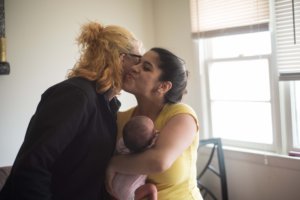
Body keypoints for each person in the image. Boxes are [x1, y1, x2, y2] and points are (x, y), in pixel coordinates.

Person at [0, 21, 143, 200]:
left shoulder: (108, 105)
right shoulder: (76, 96)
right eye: (138, 59)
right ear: (122, 59)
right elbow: (32, 167)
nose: (140, 68)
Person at [106, 47, 203, 200]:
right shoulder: (121, 119)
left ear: (163, 86)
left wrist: (113, 164)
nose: (134, 68)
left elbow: (159, 161)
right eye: (138, 63)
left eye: (146, 67)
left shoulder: (181, 116)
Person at [112, 115, 158, 200]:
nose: (155, 131)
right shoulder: (147, 153)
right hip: (128, 193)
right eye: (153, 131)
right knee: (152, 188)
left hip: (114, 185)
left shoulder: (122, 145)